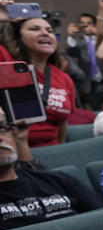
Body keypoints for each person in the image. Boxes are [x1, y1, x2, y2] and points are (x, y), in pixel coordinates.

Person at [3, 17, 75, 146]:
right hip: (12, 153)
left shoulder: (64, 78)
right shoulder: (6, 63)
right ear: (18, 38)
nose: (45, 33)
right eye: (34, 29)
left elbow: (62, 124)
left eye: (50, 30)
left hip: (51, 152)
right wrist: (3, 17)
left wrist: (60, 151)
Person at [65, 10, 103, 109]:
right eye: (82, 24)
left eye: (89, 23)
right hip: (88, 83)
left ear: (94, 25)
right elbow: (71, 52)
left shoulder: (102, 37)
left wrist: (99, 36)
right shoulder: (78, 41)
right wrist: (71, 36)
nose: (85, 26)